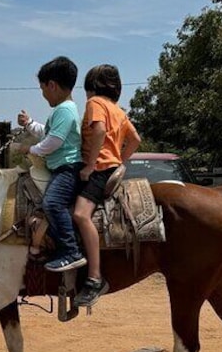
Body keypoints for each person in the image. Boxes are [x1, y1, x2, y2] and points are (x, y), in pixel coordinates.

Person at [72, 64, 141, 308]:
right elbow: (135, 139)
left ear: (90, 88)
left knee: (80, 215)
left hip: (99, 170)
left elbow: (99, 130)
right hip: (111, 168)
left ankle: (93, 277)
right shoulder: (118, 110)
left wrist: (90, 165)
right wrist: (119, 162)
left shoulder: (95, 104)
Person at [16, 56, 86, 272]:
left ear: (52, 85)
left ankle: (70, 250)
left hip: (67, 168)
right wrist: (29, 124)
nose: (43, 94)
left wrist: (31, 150)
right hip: (61, 167)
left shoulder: (64, 110)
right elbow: (47, 133)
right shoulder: (62, 110)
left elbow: (54, 142)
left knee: (53, 203)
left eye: (43, 88)